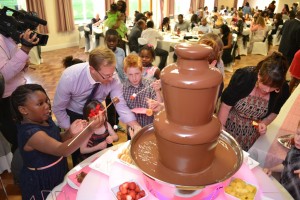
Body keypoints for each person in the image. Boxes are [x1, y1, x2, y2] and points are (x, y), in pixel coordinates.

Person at [10, 83, 103, 200]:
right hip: (43, 179)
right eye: (40, 104)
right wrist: (90, 129)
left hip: (58, 170)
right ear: (23, 110)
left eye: (47, 101)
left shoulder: (45, 119)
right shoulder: (31, 134)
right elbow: (62, 150)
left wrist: (69, 133)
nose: (47, 106)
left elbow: (55, 139)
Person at [53, 46, 140, 165]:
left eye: (113, 72)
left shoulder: (112, 76)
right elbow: (58, 108)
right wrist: (70, 130)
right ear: (92, 69)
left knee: (102, 154)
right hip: (75, 114)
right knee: (80, 156)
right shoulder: (70, 77)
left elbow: (120, 104)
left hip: (98, 112)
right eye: (106, 75)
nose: (111, 78)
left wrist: (135, 125)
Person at [218, 52, 290, 151]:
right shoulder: (245, 77)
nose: (268, 90)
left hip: (252, 134)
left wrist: (264, 123)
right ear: (259, 74)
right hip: (229, 125)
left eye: (273, 87)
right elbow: (225, 106)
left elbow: (274, 112)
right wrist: (222, 129)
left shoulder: (284, 89)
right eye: (265, 84)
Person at [0, 28, 39, 153]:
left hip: (19, 91)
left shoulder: (7, 36)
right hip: (6, 99)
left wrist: (24, 64)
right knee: (19, 140)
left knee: (29, 133)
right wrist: (25, 49)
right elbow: (3, 76)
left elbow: (15, 68)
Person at [123, 54, 163, 129]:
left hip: (150, 126)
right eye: (130, 74)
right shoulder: (123, 88)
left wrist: (157, 91)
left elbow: (159, 106)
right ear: (125, 73)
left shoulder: (150, 84)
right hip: (132, 128)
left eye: (137, 73)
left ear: (142, 70)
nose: (134, 78)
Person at [263, 120, 300, 199]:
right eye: (298, 133)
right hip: (282, 192)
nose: (298, 139)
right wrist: (270, 169)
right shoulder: (294, 149)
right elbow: (286, 165)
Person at [104, 29, 126, 129]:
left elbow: (123, 67)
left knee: (119, 104)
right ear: (105, 41)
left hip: (120, 83)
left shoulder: (121, 52)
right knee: (110, 106)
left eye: (114, 41)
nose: (112, 43)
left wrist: (125, 81)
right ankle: (111, 126)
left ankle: (116, 124)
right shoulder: (102, 53)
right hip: (108, 84)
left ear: (118, 41)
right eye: (109, 41)